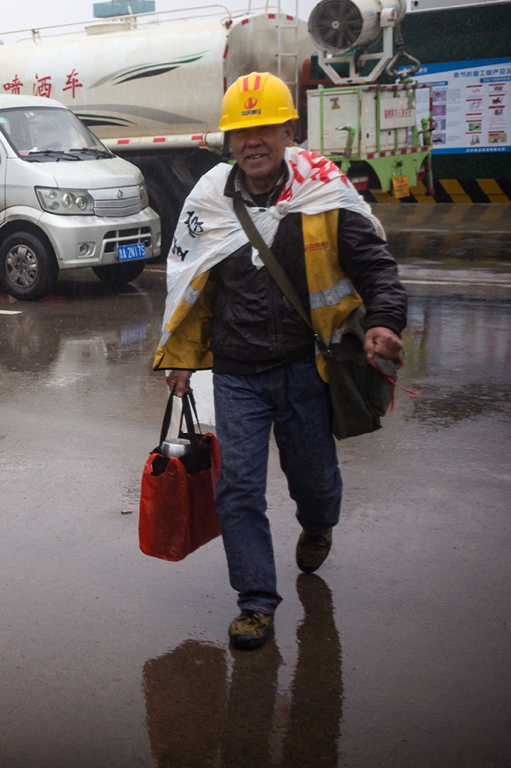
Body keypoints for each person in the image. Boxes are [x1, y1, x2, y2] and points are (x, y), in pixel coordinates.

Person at [154, 72, 406, 650]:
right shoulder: (210, 201)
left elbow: (376, 266)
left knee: (314, 484)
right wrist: (182, 360)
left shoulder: (322, 189)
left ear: (289, 130)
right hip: (239, 375)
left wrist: (386, 323)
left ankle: (318, 526)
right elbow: (192, 285)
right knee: (237, 488)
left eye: (264, 127)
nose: (253, 142)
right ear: (229, 141)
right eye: (242, 132)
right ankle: (256, 604)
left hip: (304, 371)